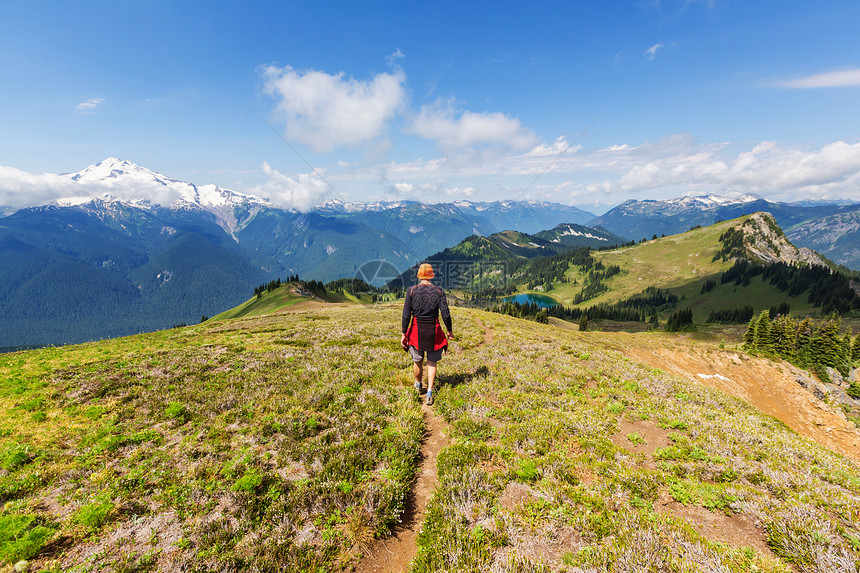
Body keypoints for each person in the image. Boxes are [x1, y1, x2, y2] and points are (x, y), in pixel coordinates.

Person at [401, 263, 453, 405]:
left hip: (416, 330)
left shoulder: (411, 291)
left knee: (417, 360)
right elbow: (445, 313)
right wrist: (449, 330)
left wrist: (404, 333)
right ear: (431, 275)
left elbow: (406, 315)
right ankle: (429, 391)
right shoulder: (439, 291)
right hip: (433, 329)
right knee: (432, 362)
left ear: (419, 276)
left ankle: (418, 384)